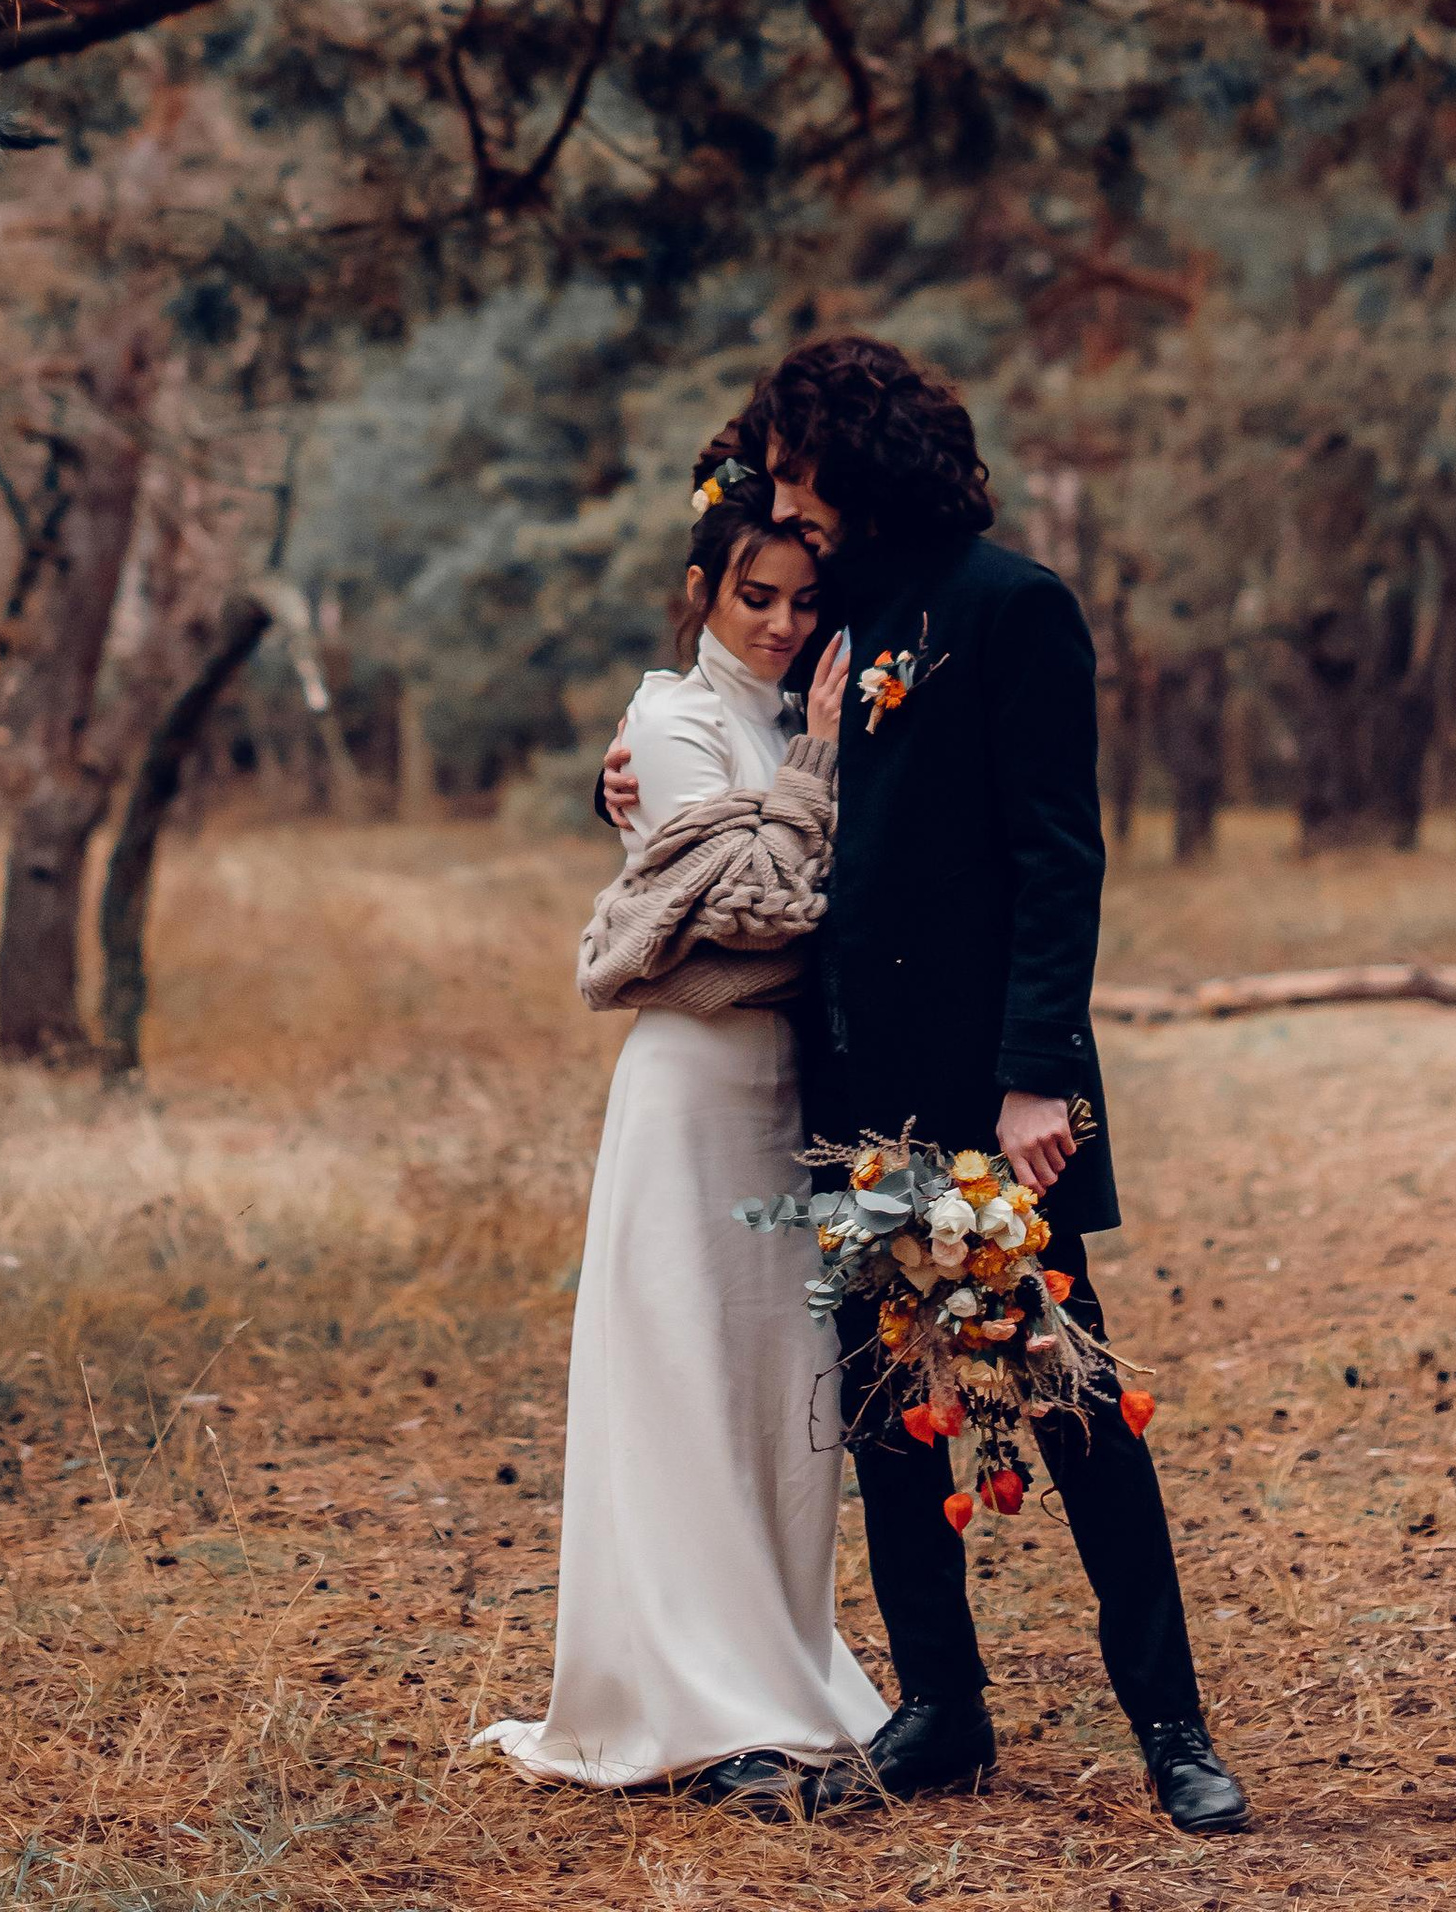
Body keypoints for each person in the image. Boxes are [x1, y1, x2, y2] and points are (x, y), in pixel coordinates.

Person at [603, 336, 1250, 1838]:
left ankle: (1172, 1726)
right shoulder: (836, 610)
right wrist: (617, 779)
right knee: (894, 1413)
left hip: (983, 1102)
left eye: (808, 469)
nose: (790, 497)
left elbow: (1055, 855)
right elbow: (743, 739)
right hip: (851, 1095)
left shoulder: (1014, 609)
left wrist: (1037, 1079)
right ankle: (942, 1709)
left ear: (865, 466)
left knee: (1070, 1398)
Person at [484, 468, 879, 1814]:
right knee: (683, 1388)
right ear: (702, 591)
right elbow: (770, 904)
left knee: (781, 1400)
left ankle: (780, 1667)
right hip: (693, 1096)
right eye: (753, 595)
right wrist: (817, 774)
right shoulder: (669, 719)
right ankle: (701, 1705)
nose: (778, 621)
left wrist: (818, 775)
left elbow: (831, 892)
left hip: (794, 1102)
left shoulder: (808, 708)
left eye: (803, 599)